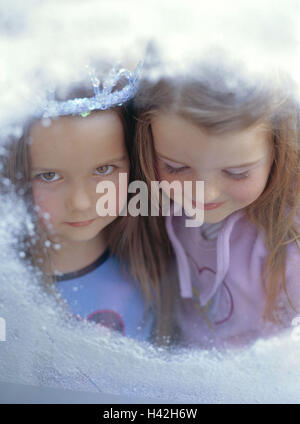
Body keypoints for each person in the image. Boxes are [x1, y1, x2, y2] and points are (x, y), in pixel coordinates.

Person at [133, 59, 300, 349]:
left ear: (278, 151)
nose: (205, 195)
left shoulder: (290, 239)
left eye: (237, 173)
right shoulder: (149, 202)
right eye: (175, 167)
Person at [1, 64, 156, 343]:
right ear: (17, 176)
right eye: (49, 176)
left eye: (104, 170)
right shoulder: (8, 293)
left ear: (133, 164)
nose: (81, 203)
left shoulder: (161, 265)